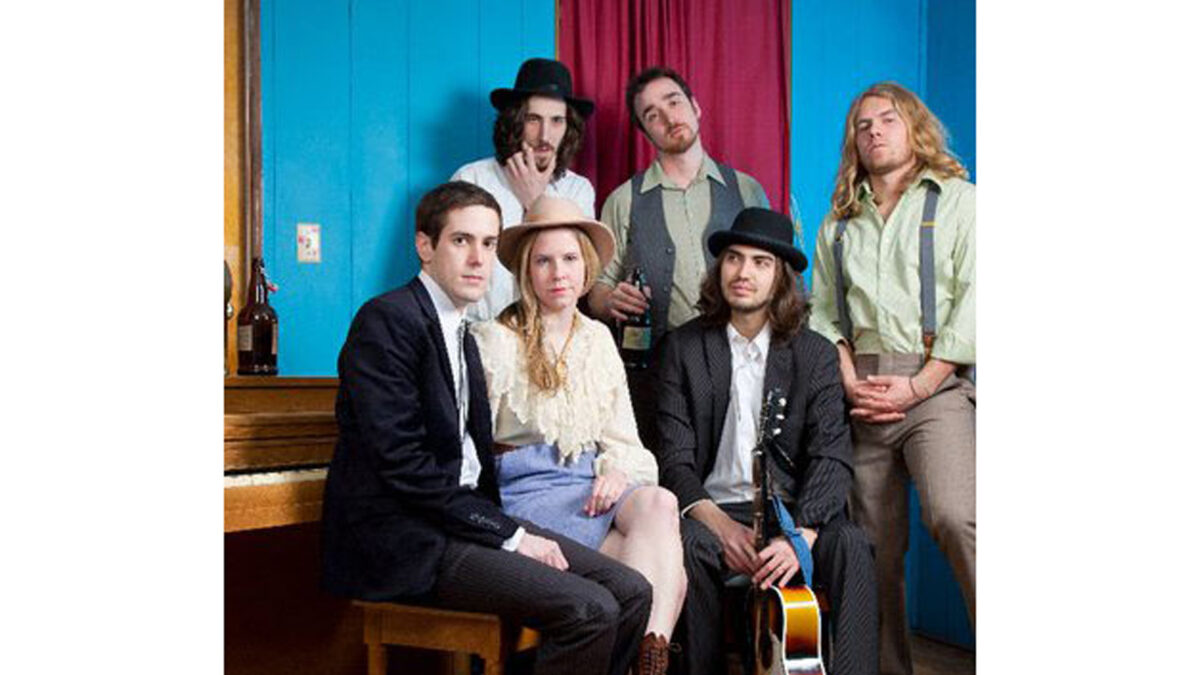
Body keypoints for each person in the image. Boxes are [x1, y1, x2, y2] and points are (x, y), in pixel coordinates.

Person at [320, 182, 651, 675]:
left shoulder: (462, 333)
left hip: (462, 523)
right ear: (425, 245)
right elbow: (404, 467)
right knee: (590, 610)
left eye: (489, 243)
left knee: (632, 590)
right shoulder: (387, 321)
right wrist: (511, 535)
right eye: (461, 241)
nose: (478, 258)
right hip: (409, 539)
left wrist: (507, 528)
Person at [655, 207, 878, 675]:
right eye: (734, 258)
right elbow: (674, 458)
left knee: (851, 544)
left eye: (761, 263)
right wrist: (720, 526)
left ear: (780, 279)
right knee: (687, 545)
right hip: (713, 511)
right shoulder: (684, 347)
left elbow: (831, 456)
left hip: (793, 512)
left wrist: (801, 537)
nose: (744, 273)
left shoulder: (816, 354)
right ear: (720, 268)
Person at [472, 195, 687, 675]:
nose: (558, 273)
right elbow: (473, 450)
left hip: (590, 485)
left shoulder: (597, 339)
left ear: (586, 265)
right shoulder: (495, 339)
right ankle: (646, 659)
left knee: (660, 503)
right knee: (667, 574)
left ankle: (648, 658)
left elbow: (623, 439)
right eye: (544, 261)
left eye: (569, 259)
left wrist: (616, 472)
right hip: (525, 490)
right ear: (526, 270)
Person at [808, 82, 975, 675]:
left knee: (956, 516)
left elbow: (978, 301)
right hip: (862, 390)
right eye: (863, 124)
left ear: (915, 128)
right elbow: (823, 313)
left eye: (888, 119)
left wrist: (921, 384)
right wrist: (847, 377)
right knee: (869, 549)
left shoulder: (960, 202)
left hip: (936, 385)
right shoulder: (839, 221)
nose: (874, 130)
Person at [586, 66, 773, 446]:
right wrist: (610, 300)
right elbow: (597, 289)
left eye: (674, 102)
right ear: (645, 132)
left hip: (743, 364)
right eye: (652, 115)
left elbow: (778, 276)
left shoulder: (747, 190)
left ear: (695, 106)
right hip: (660, 375)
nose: (670, 118)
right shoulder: (624, 200)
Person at [452, 57, 597, 322]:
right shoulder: (472, 178)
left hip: (550, 333)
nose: (544, 135)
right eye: (533, 119)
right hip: (478, 330)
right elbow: (451, 268)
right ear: (515, 121)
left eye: (557, 121)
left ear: (569, 127)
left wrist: (535, 201)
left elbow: (581, 274)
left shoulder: (578, 190)